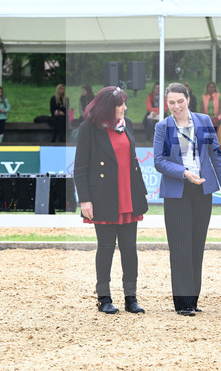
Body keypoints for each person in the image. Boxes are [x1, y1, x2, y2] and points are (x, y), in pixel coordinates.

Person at [153, 82, 221, 316]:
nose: (176, 106)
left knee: (196, 245)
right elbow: (159, 161)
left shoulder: (204, 121)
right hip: (177, 191)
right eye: (171, 102)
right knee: (180, 246)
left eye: (180, 101)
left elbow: (216, 156)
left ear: (188, 99)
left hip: (203, 190)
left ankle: (193, 298)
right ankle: (183, 303)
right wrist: (183, 173)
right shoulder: (163, 127)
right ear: (167, 103)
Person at [74, 86, 149, 315]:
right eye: (120, 104)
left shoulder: (127, 125)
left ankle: (131, 298)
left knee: (130, 249)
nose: (125, 108)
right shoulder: (88, 129)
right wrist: (85, 200)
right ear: (108, 107)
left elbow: (132, 160)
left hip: (129, 196)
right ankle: (104, 298)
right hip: (103, 198)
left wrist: (141, 191)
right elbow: (80, 168)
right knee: (105, 248)